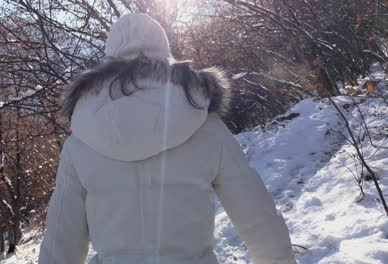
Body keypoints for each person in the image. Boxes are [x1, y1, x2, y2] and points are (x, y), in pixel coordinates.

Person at [38, 13, 297, 264]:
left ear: (110, 58)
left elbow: (62, 238)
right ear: (166, 53)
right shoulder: (205, 125)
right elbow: (257, 216)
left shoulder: (82, 140)